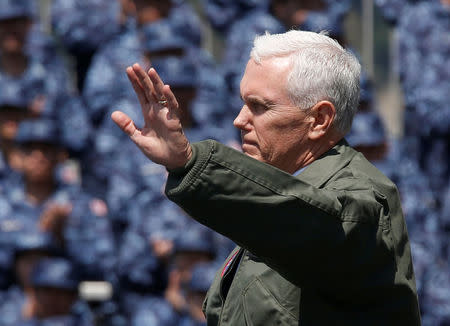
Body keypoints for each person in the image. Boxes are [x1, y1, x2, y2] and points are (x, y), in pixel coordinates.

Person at [112, 30, 421, 325]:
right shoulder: (278, 195)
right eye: (244, 103)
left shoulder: (362, 198)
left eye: (259, 106)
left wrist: (191, 163)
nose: (239, 119)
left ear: (319, 119)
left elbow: (310, 220)